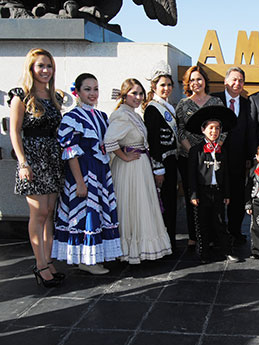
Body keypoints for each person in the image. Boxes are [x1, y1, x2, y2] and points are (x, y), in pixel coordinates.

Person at [51, 73, 122, 275]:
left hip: (100, 172)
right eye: (87, 89)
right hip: (83, 172)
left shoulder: (101, 116)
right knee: (87, 213)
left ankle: (92, 258)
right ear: (78, 91)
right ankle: (87, 261)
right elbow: (70, 152)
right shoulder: (71, 118)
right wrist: (80, 182)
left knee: (99, 213)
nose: (92, 93)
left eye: (95, 89)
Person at [9, 48, 64, 287]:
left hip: (52, 159)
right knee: (38, 213)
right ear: (31, 68)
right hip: (33, 160)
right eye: (41, 66)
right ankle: (40, 265)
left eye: (49, 66)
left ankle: (48, 261)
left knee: (49, 213)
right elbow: (14, 131)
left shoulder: (54, 98)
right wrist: (23, 162)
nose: (45, 70)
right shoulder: (21, 96)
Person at [104, 78, 172, 264]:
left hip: (140, 165)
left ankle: (143, 249)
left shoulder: (133, 114)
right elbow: (109, 142)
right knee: (132, 206)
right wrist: (124, 156)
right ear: (124, 95)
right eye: (134, 93)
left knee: (141, 206)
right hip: (130, 168)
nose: (138, 97)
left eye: (140, 93)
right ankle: (130, 250)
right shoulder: (122, 115)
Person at [176, 65, 224, 253]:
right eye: (192, 80)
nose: (196, 83)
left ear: (205, 81)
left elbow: (223, 128)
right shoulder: (183, 104)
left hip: (213, 157)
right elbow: (180, 129)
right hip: (189, 157)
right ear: (188, 83)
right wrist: (193, 151)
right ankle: (194, 236)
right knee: (193, 197)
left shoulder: (216, 102)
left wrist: (215, 148)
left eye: (199, 79)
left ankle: (212, 235)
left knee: (212, 197)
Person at [186, 105, 238, 263]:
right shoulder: (196, 150)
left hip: (218, 192)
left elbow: (226, 174)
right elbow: (191, 175)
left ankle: (226, 251)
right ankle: (203, 253)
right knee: (203, 224)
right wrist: (193, 194)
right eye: (210, 128)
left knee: (221, 222)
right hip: (202, 192)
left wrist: (227, 193)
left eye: (217, 128)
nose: (214, 131)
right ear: (203, 130)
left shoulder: (222, 150)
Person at [211, 66, 257, 245]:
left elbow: (250, 131)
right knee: (217, 196)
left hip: (239, 160)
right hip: (216, 157)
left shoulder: (247, 103)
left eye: (240, 80)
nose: (237, 83)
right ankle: (218, 234)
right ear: (225, 81)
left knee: (237, 197)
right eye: (234, 79)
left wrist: (250, 156)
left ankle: (235, 231)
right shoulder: (215, 99)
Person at [142, 62, 179, 249]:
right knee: (163, 204)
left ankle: (169, 241)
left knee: (171, 202)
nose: (166, 88)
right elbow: (153, 142)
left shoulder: (168, 106)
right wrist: (158, 169)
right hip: (163, 164)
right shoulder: (152, 109)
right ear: (154, 86)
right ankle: (165, 244)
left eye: (169, 85)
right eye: (162, 85)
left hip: (172, 162)